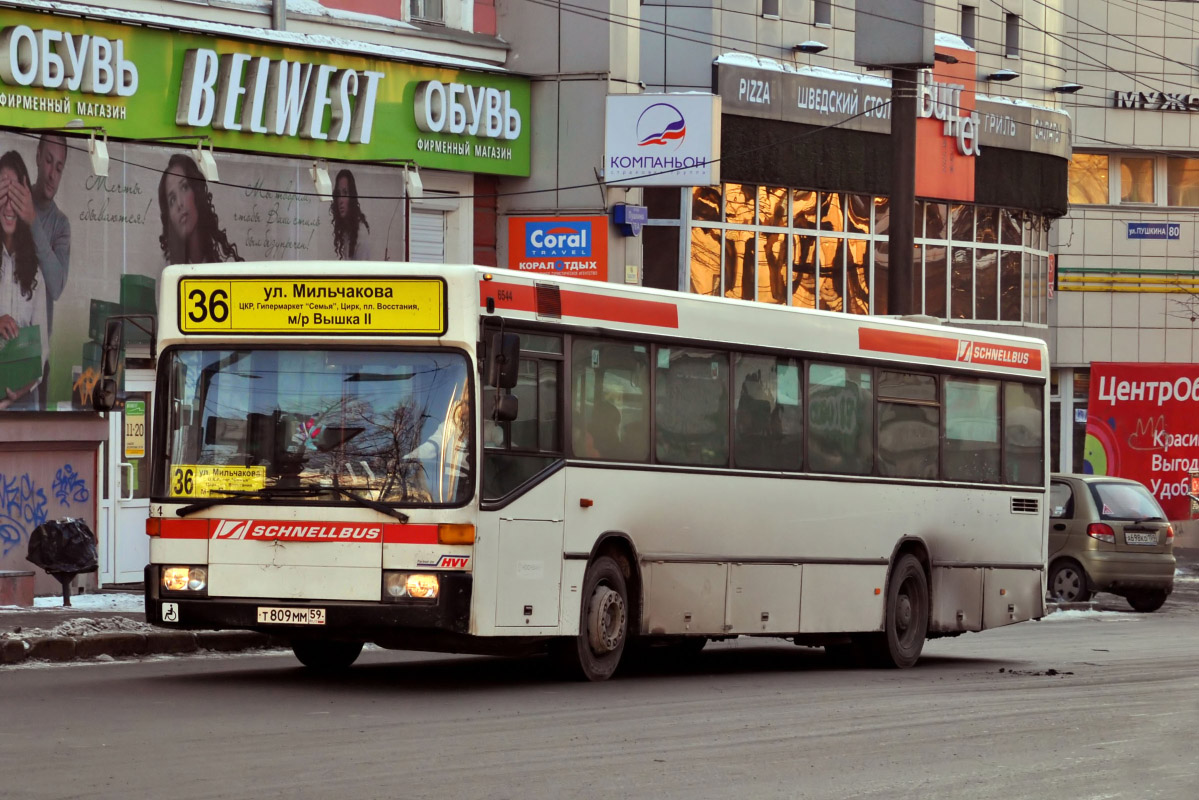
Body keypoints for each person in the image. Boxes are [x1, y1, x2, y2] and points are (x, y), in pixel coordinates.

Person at [6, 134, 70, 408]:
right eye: (48, 161)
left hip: (34, 362)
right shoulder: (12, 199)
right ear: (37, 156)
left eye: (59, 167)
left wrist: (33, 221)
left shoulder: (60, 225)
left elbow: (55, 287)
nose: (52, 174)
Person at [0, 150, 49, 410]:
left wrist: (24, 387)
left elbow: (43, 349)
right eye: (3, 194)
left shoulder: (35, 271)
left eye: (15, 196)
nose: (9, 206)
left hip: (24, 404)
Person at [157, 153, 242, 264]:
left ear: (196, 192)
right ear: (169, 218)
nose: (179, 203)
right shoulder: (166, 271)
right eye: (172, 200)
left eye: (184, 187)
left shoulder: (225, 264)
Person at [331, 169, 372, 260]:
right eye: (338, 194)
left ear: (352, 198)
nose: (341, 200)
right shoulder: (347, 230)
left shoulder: (361, 234)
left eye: (345, 193)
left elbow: (362, 273)